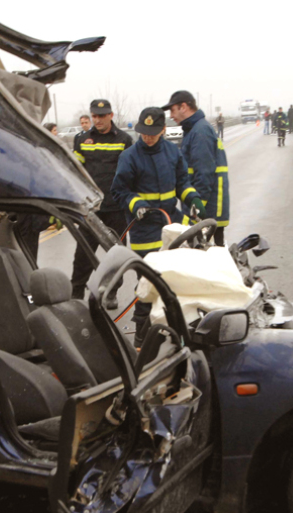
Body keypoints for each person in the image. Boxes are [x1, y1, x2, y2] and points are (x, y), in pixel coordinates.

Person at [110, 107, 204, 346]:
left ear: (163, 130)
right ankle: (141, 337)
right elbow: (119, 191)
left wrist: (192, 199)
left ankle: (175, 331)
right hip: (144, 230)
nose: (148, 137)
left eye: (153, 132)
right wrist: (136, 204)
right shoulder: (129, 156)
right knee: (149, 283)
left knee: (173, 280)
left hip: (170, 225)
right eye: (144, 132)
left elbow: (183, 182)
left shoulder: (173, 152)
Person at [70, 98, 134, 304]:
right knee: (83, 253)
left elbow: (130, 173)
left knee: (116, 253)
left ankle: (112, 291)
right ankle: (76, 292)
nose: (97, 120)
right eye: (94, 116)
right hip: (90, 209)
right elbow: (75, 172)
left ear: (111, 116)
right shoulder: (81, 140)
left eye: (101, 116)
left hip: (116, 207)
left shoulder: (124, 140)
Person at [164, 90, 231, 246]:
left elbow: (204, 173)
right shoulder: (194, 129)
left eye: (172, 110)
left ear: (184, 107)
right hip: (208, 210)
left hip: (208, 210)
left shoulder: (200, 131)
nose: (171, 116)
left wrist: (197, 211)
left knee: (210, 260)